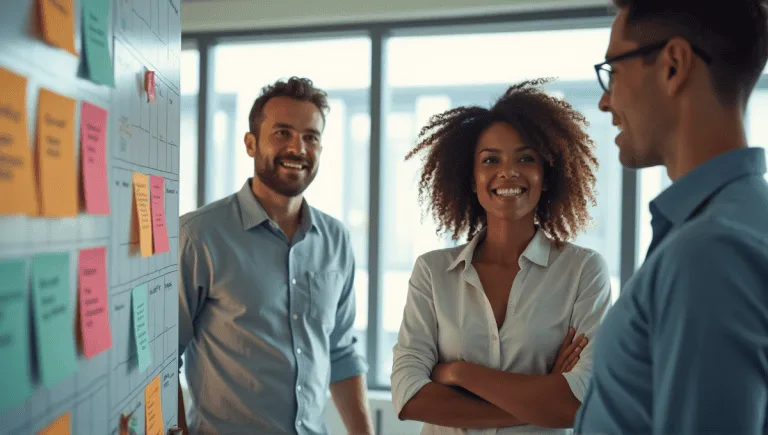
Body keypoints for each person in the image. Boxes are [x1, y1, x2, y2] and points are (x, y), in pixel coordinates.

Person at [575, 0, 768, 432]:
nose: (605, 101)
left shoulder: (712, 250)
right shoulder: (736, 221)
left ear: (673, 66)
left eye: (614, 71)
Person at [390, 79, 614, 434]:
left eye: (525, 158)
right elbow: (409, 396)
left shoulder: (583, 271)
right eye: (490, 159)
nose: (508, 171)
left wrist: (458, 372)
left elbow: (577, 402)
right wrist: (540, 401)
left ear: (547, 174)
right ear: (472, 178)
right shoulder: (432, 272)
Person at [177, 77, 374, 435]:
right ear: (251, 144)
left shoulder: (336, 240)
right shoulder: (199, 235)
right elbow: (163, 358)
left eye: (310, 137)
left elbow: (341, 353)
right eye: (282, 133)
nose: (298, 148)